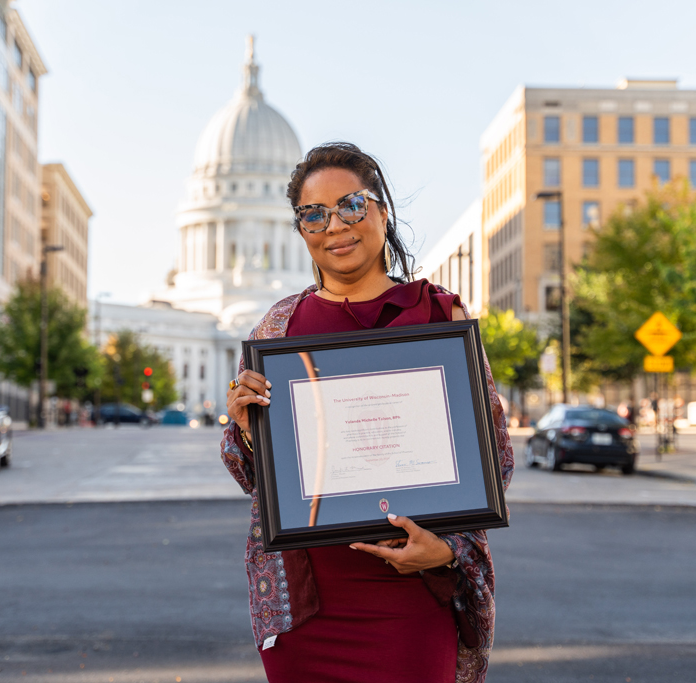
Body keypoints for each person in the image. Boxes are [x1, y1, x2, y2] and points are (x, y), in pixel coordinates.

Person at [220, 142, 514, 683]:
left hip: (413, 596)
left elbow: (492, 454)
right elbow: (250, 473)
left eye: (352, 206)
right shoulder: (276, 331)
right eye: (314, 214)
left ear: (381, 210)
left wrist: (446, 552)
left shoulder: (438, 315)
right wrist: (248, 428)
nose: (335, 225)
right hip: (309, 609)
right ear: (301, 229)